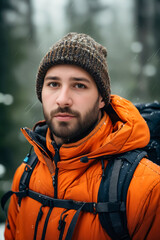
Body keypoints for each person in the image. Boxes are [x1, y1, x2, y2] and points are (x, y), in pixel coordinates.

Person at [4, 32, 160, 240]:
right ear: (41, 93)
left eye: (79, 85)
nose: (62, 99)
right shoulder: (25, 175)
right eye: (53, 84)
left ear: (102, 99)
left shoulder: (147, 188)